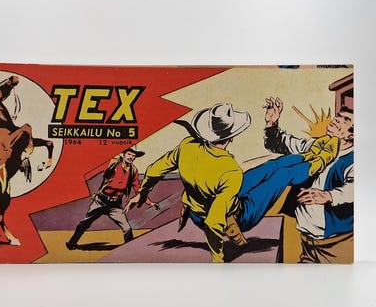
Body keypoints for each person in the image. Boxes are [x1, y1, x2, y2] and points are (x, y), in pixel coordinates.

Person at [129, 102, 341, 263]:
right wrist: (218, 259)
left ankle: (310, 155)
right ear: (231, 136)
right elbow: (214, 220)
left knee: (271, 166)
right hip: (237, 217)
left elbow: (154, 170)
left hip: (204, 206)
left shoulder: (187, 146)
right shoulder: (229, 169)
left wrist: (143, 193)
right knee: (280, 176)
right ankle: (321, 160)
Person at [263, 97, 354, 263]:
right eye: (338, 116)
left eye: (345, 120)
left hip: (336, 244)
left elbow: (356, 188)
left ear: (352, 134)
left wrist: (328, 195)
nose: (336, 120)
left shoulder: (353, 159)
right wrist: (271, 123)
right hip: (307, 242)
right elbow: (281, 144)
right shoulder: (317, 145)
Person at [65, 148, 159, 249]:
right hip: (100, 201)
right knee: (84, 223)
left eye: (134, 156)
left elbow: (139, 190)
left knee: (127, 228)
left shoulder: (133, 171)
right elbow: (93, 169)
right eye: (129, 154)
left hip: (115, 205)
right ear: (123, 155)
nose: (132, 157)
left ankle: (130, 248)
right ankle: (72, 243)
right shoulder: (112, 163)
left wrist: (150, 203)